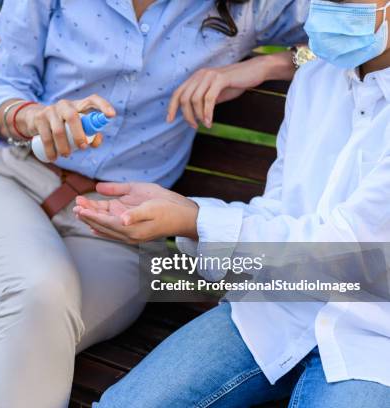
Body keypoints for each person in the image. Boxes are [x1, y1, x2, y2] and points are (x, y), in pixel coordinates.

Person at [0, 1, 311, 407]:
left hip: (120, 229)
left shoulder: (247, 9)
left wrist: (265, 65)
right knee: (37, 293)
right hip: (8, 183)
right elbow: (6, 89)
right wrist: (35, 118)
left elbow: (356, 29)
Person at [76, 1, 390, 406]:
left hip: (373, 337)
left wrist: (196, 220)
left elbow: (346, 251)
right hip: (275, 310)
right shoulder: (316, 77)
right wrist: (179, 213)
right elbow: (277, 211)